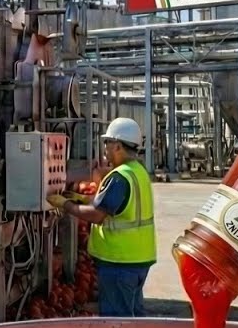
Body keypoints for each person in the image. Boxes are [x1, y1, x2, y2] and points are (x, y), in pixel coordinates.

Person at [48, 117, 157, 317]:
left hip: (119, 262)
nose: (105, 149)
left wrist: (65, 205)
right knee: (134, 319)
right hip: (139, 259)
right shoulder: (138, 172)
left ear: (118, 146)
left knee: (117, 321)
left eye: (107, 143)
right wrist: (83, 199)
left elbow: (97, 215)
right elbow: (117, 206)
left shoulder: (119, 178)